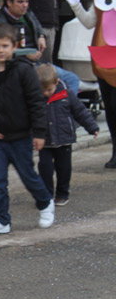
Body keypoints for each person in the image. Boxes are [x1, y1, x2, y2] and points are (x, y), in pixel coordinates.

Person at [0, 24, 54, 235]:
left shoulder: (24, 71)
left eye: (5, 46)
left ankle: (45, 202)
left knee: (28, 176)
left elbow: (36, 103)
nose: (1, 50)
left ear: (14, 46)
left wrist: (39, 133)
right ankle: (1, 219)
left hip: (21, 137)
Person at [59, 0, 116, 168]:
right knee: (110, 107)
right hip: (104, 60)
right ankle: (115, 152)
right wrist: (75, 5)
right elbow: (89, 22)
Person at [0, 0, 81, 91]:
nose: (24, 5)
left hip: (38, 62)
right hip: (20, 66)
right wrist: (26, 54)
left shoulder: (26, 13)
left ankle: (61, 102)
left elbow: (36, 23)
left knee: (72, 79)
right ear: (9, 2)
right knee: (65, 80)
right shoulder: (0, 24)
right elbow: (1, 52)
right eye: (20, 2)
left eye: (27, 2)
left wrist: (41, 35)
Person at [35, 63, 99, 206]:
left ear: (56, 82)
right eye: (42, 90)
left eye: (49, 90)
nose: (46, 93)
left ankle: (62, 194)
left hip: (64, 138)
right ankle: (46, 196)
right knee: (45, 168)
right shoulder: (35, 98)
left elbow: (80, 112)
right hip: (45, 140)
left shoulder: (66, 94)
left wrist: (92, 127)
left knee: (63, 168)